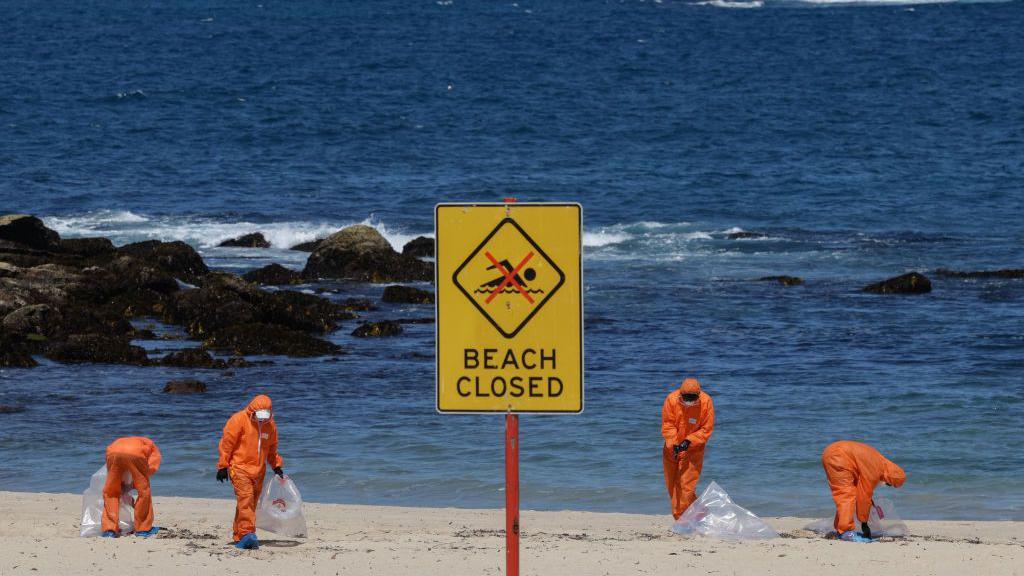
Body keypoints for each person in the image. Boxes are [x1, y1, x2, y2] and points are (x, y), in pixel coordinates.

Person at [217, 394, 285, 550]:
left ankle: (239, 535)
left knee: (249, 503)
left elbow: (272, 449)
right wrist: (222, 466)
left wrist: (276, 466)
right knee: (246, 499)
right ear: (252, 409)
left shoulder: (270, 425)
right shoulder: (238, 420)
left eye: (266, 412)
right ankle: (248, 534)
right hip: (239, 467)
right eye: (260, 412)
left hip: (259, 470)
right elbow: (227, 444)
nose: (263, 415)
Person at [821, 440, 906, 541]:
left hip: (835, 453)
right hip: (838, 456)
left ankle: (841, 528)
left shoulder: (879, 461)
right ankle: (845, 531)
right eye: (889, 484)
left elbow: (861, 489)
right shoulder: (875, 470)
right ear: (889, 478)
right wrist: (864, 523)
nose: (886, 485)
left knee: (846, 494)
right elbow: (863, 497)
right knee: (846, 495)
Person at [661, 378, 715, 520]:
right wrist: (674, 443)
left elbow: (706, 429)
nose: (689, 401)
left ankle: (682, 521)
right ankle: (701, 515)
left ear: (698, 395)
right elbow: (668, 424)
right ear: (681, 394)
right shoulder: (671, 400)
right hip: (672, 449)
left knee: (685, 487)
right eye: (686, 398)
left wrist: (688, 441)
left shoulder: (706, 402)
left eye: (692, 398)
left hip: (693, 450)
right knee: (672, 486)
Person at [102, 436, 161, 538]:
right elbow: (151, 467)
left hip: (112, 451)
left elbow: (114, 469)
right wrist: (136, 483)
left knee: (111, 492)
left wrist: (123, 486)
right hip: (136, 452)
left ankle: (109, 530)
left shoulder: (123, 441)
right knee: (143, 492)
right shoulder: (151, 445)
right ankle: (143, 529)